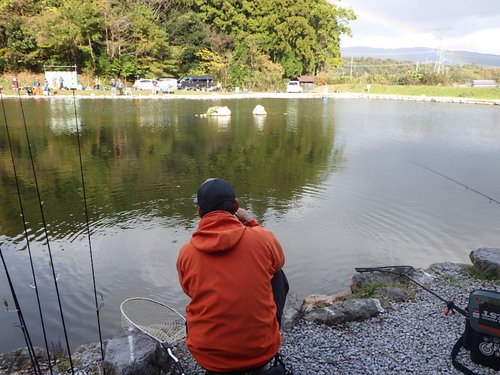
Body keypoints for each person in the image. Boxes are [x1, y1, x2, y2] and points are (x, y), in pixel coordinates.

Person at [177, 178, 289, 374]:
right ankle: (268, 336)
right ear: (236, 206)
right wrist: (250, 222)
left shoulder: (187, 252)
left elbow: (189, 291)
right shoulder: (261, 238)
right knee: (277, 273)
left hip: (209, 358)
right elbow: (278, 261)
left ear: (200, 212)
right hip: (261, 352)